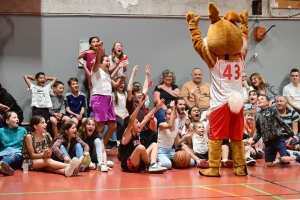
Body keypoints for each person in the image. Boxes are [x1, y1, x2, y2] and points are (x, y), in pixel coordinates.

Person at [90, 41, 126, 146]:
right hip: (99, 98)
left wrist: (122, 79)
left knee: (113, 126)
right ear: (100, 63)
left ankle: (102, 147)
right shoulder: (96, 70)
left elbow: (115, 85)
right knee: (100, 126)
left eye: (109, 61)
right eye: (106, 61)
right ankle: (94, 149)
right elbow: (96, 61)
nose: (109, 63)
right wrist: (99, 51)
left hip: (108, 99)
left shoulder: (106, 74)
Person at [248, 95, 300, 166]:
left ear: (267, 102)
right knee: (269, 164)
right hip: (268, 142)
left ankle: (296, 155)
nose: (259, 100)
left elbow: (282, 123)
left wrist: (292, 134)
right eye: (258, 99)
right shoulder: (257, 115)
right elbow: (259, 130)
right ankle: (280, 159)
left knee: (285, 159)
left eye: (262, 99)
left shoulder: (273, 110)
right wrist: (254, 140)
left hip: (278, 139)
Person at [118, 98, 167, 173]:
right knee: (140, 147)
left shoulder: (136, 130)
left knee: (154, 144)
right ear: (131, 126)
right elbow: (131, 120)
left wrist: (157, 108)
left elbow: (146, 118)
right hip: (129, 164)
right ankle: (151, 164)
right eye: (137, 122)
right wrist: (138, 107)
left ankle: (153, 164)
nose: (139, 124)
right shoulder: (126, 134)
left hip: (138, 161)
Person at [157, 101, 195, 169]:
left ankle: (170, 161)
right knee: (168, 165)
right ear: (165, 117)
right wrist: (173, 109)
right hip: (161, 151)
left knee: (191, 162)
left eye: (173, 114)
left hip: (171, 151)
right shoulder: (161, 125)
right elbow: (170, 125)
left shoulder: (176, 123)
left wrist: (185, 137)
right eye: (169, 114)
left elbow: (176, 143)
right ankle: (158, 160)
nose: (172, 116)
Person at [127, 65, 157, 149]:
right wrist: (133, 74)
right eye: (137, 92)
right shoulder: (130, 103)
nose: (140, 94)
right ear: (132, 95)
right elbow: (129, 90)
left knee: (155, 137)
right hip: (137, 131)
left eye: (140, 92)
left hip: (146, 130)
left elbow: (145, 89)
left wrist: (147, 75)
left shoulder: (142, 99)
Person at [112, 77, 129, 141]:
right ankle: (119, 139)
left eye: (123, 83)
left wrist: (127, 114)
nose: (121, 84)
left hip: (125, 114)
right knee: (122, 124)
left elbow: (126, 106)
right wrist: (121, 116)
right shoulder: (113, 94)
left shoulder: (126, 94)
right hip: (117, 115)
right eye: (120, 83)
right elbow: (112, 109)